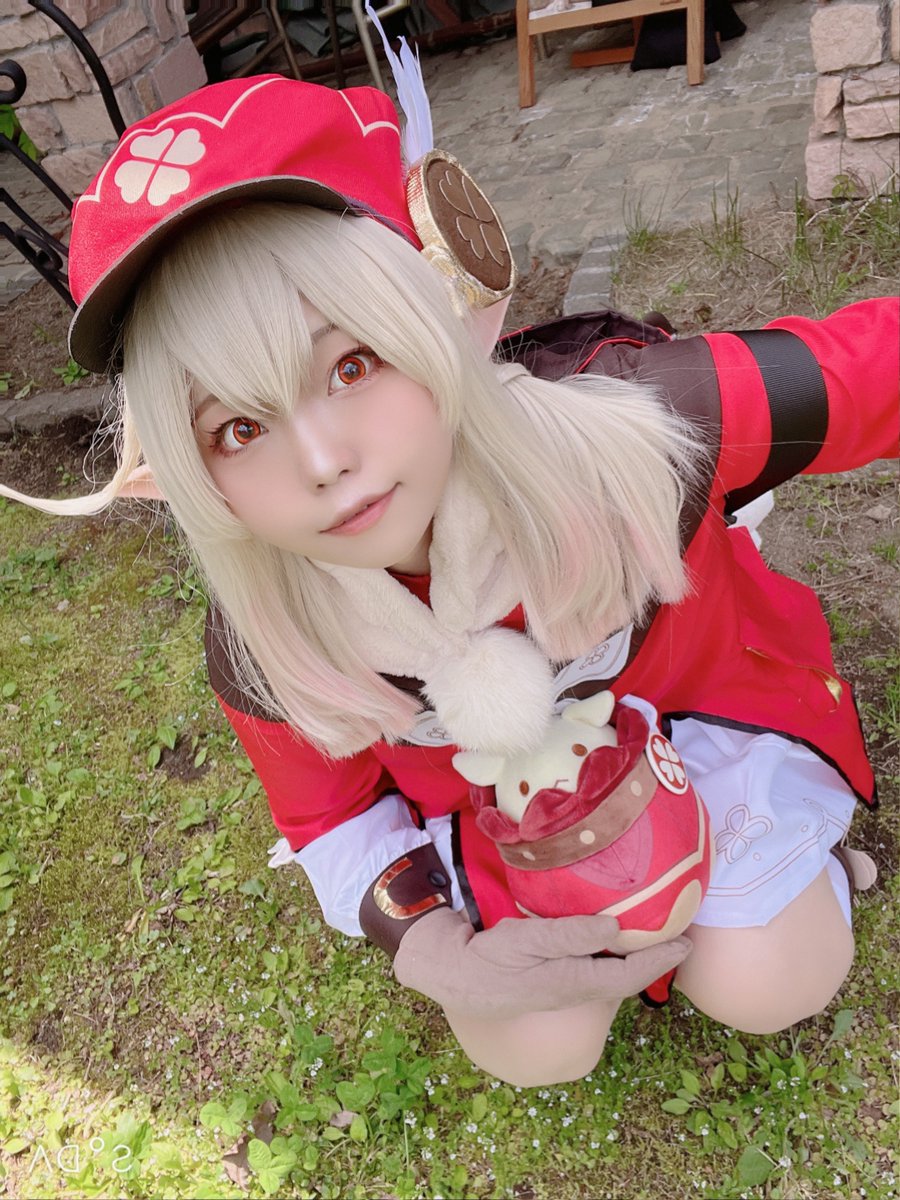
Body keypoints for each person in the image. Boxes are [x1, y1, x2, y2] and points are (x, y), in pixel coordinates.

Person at [2, 71, 896, 1089]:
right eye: (238, 428)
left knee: (772, 980)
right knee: (536, 1047)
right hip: (503, 819)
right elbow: (328, 815)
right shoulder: (265, 639)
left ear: (431, 312)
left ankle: (798, 866)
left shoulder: (634, 424)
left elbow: (869, 372)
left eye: (350, 366)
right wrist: (435, 947)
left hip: (701, 724)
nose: (324, 462)